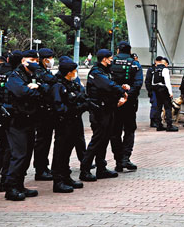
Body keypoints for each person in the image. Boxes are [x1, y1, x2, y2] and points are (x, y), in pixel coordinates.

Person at [4, 49, 47, 201]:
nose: (35, 62)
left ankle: (19, 184)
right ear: (23, 60)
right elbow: (21, 92)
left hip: (29, 119)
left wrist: (39, 88)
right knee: (19, 155)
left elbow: (47, 88)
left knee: (27, 154)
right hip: (16, 121)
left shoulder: (33, 75)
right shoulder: (15, 76)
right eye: (32, 60)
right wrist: (36, 90)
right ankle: (10, 187)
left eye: (36, 60)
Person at [81, 49, 125, 181]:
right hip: (99, 112)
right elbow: (109, 86)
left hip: (108, 110)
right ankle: (85, 169)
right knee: (97, 140)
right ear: (104, 59)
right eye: (110, 58)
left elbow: (112, 85)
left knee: (104, 140)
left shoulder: (105, 71)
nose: (112, 60)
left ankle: (101, 168)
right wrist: (121, 91)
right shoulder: (96, 72)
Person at [48, 56, 87, 193]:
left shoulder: (68, 83)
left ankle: (65, 177)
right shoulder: (58, 85)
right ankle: (58, 181)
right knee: (61, 152)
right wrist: (73, 108)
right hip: (63, 123)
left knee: (67, 151)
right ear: (69, 72)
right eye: (74, 71)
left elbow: (79, 94)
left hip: (72, 122)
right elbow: (59, 107)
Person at [0, 50, 21, 191]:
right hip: (9, 114)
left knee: (1, 147)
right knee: (9, 148)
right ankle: (5, 177)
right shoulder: (13, 75)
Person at [109, 41, 142, 172]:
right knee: (129, 130)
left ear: (118, 50)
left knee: (115, 131)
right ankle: (125, 158)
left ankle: (118, 160)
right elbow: (138, 83)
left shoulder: (111, 63)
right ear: (129, 51)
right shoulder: (135, 64)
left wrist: (118, 94)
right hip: (130, 103)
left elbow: (107, 81)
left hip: (114, 102)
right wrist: (128, 95)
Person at [31, 48, 57, 182]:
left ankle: (44, 167)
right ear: (44, 59)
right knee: (42, 142)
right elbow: (50, 82)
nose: (52, 61)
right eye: (50, 58)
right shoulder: (39, 71)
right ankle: (40, 169)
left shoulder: (45, 71)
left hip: (47, 111)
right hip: (41, 112)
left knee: (46, 141)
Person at [147, 57, 178, 132]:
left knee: (158, 107)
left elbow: (152, 81)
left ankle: (159, 125)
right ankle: (169, 125)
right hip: (164, 89)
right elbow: (167, 82)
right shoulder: (165, 69)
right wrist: (170, 92)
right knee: (168, 107)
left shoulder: (155, 69)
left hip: (156, 89)